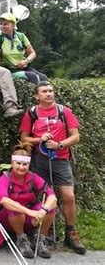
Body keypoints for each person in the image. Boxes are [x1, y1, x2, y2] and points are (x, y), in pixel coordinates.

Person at [19, 81, 86, 254]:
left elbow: (76, 136)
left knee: (68, 196)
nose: (49, 94)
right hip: (40, 161)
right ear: (36, 95)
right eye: (44, 91)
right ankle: (45, 232)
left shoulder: (64, 111)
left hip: (61, 159)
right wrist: (39, 139)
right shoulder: (31, 113)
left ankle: (71, 233)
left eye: (50, 91)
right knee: (45, 197)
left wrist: (59, 145)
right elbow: (24, 139)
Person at [0, 142, 57, 259]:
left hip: (30, 217)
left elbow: (52, 197)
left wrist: (43, 211)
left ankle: (39, 239)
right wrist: (29, 212)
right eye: (18, 163)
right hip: (9, 217)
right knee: (15, 206)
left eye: (25, 164)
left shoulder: (33, 177)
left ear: (29, 165)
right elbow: (3, 200)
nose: (22, 167)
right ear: (12, 163)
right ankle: (21, 239)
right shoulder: (5, 178)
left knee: (50, 207)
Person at [0, 12, 47, 84]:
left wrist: (26, 61)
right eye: (1, 24)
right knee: (32, 76)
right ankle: (37, 95)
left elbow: (32, 53)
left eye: (5, 24)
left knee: (43, 77)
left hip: (24, 67)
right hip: (9, 70)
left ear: (13, 25)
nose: (2, 26)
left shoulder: (21, 36)